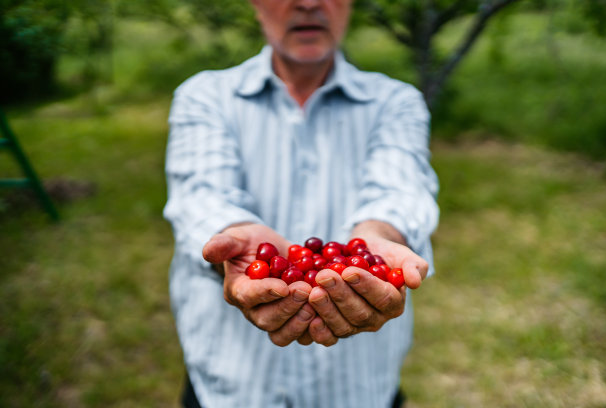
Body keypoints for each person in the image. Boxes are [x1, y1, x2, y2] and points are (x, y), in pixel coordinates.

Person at [163, 0, 439, 406]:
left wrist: (380, 234)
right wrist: (232, 238)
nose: (308, 3)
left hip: (357, 387)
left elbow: (399, 189)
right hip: (233, 385)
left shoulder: (396, 102)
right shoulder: (205, 96)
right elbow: (202, 195)